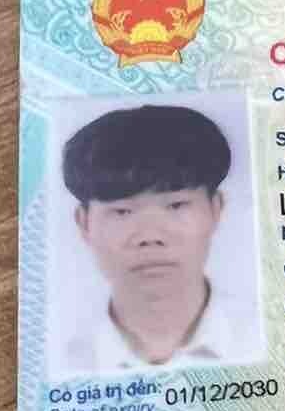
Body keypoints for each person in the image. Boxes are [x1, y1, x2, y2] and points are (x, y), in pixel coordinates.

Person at [61, 103, 261, 370]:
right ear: (84, 223)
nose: (150, 236)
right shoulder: (62, 360)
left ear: (216, 209)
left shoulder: (265, 337)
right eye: (122, 211)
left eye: (176, 206)